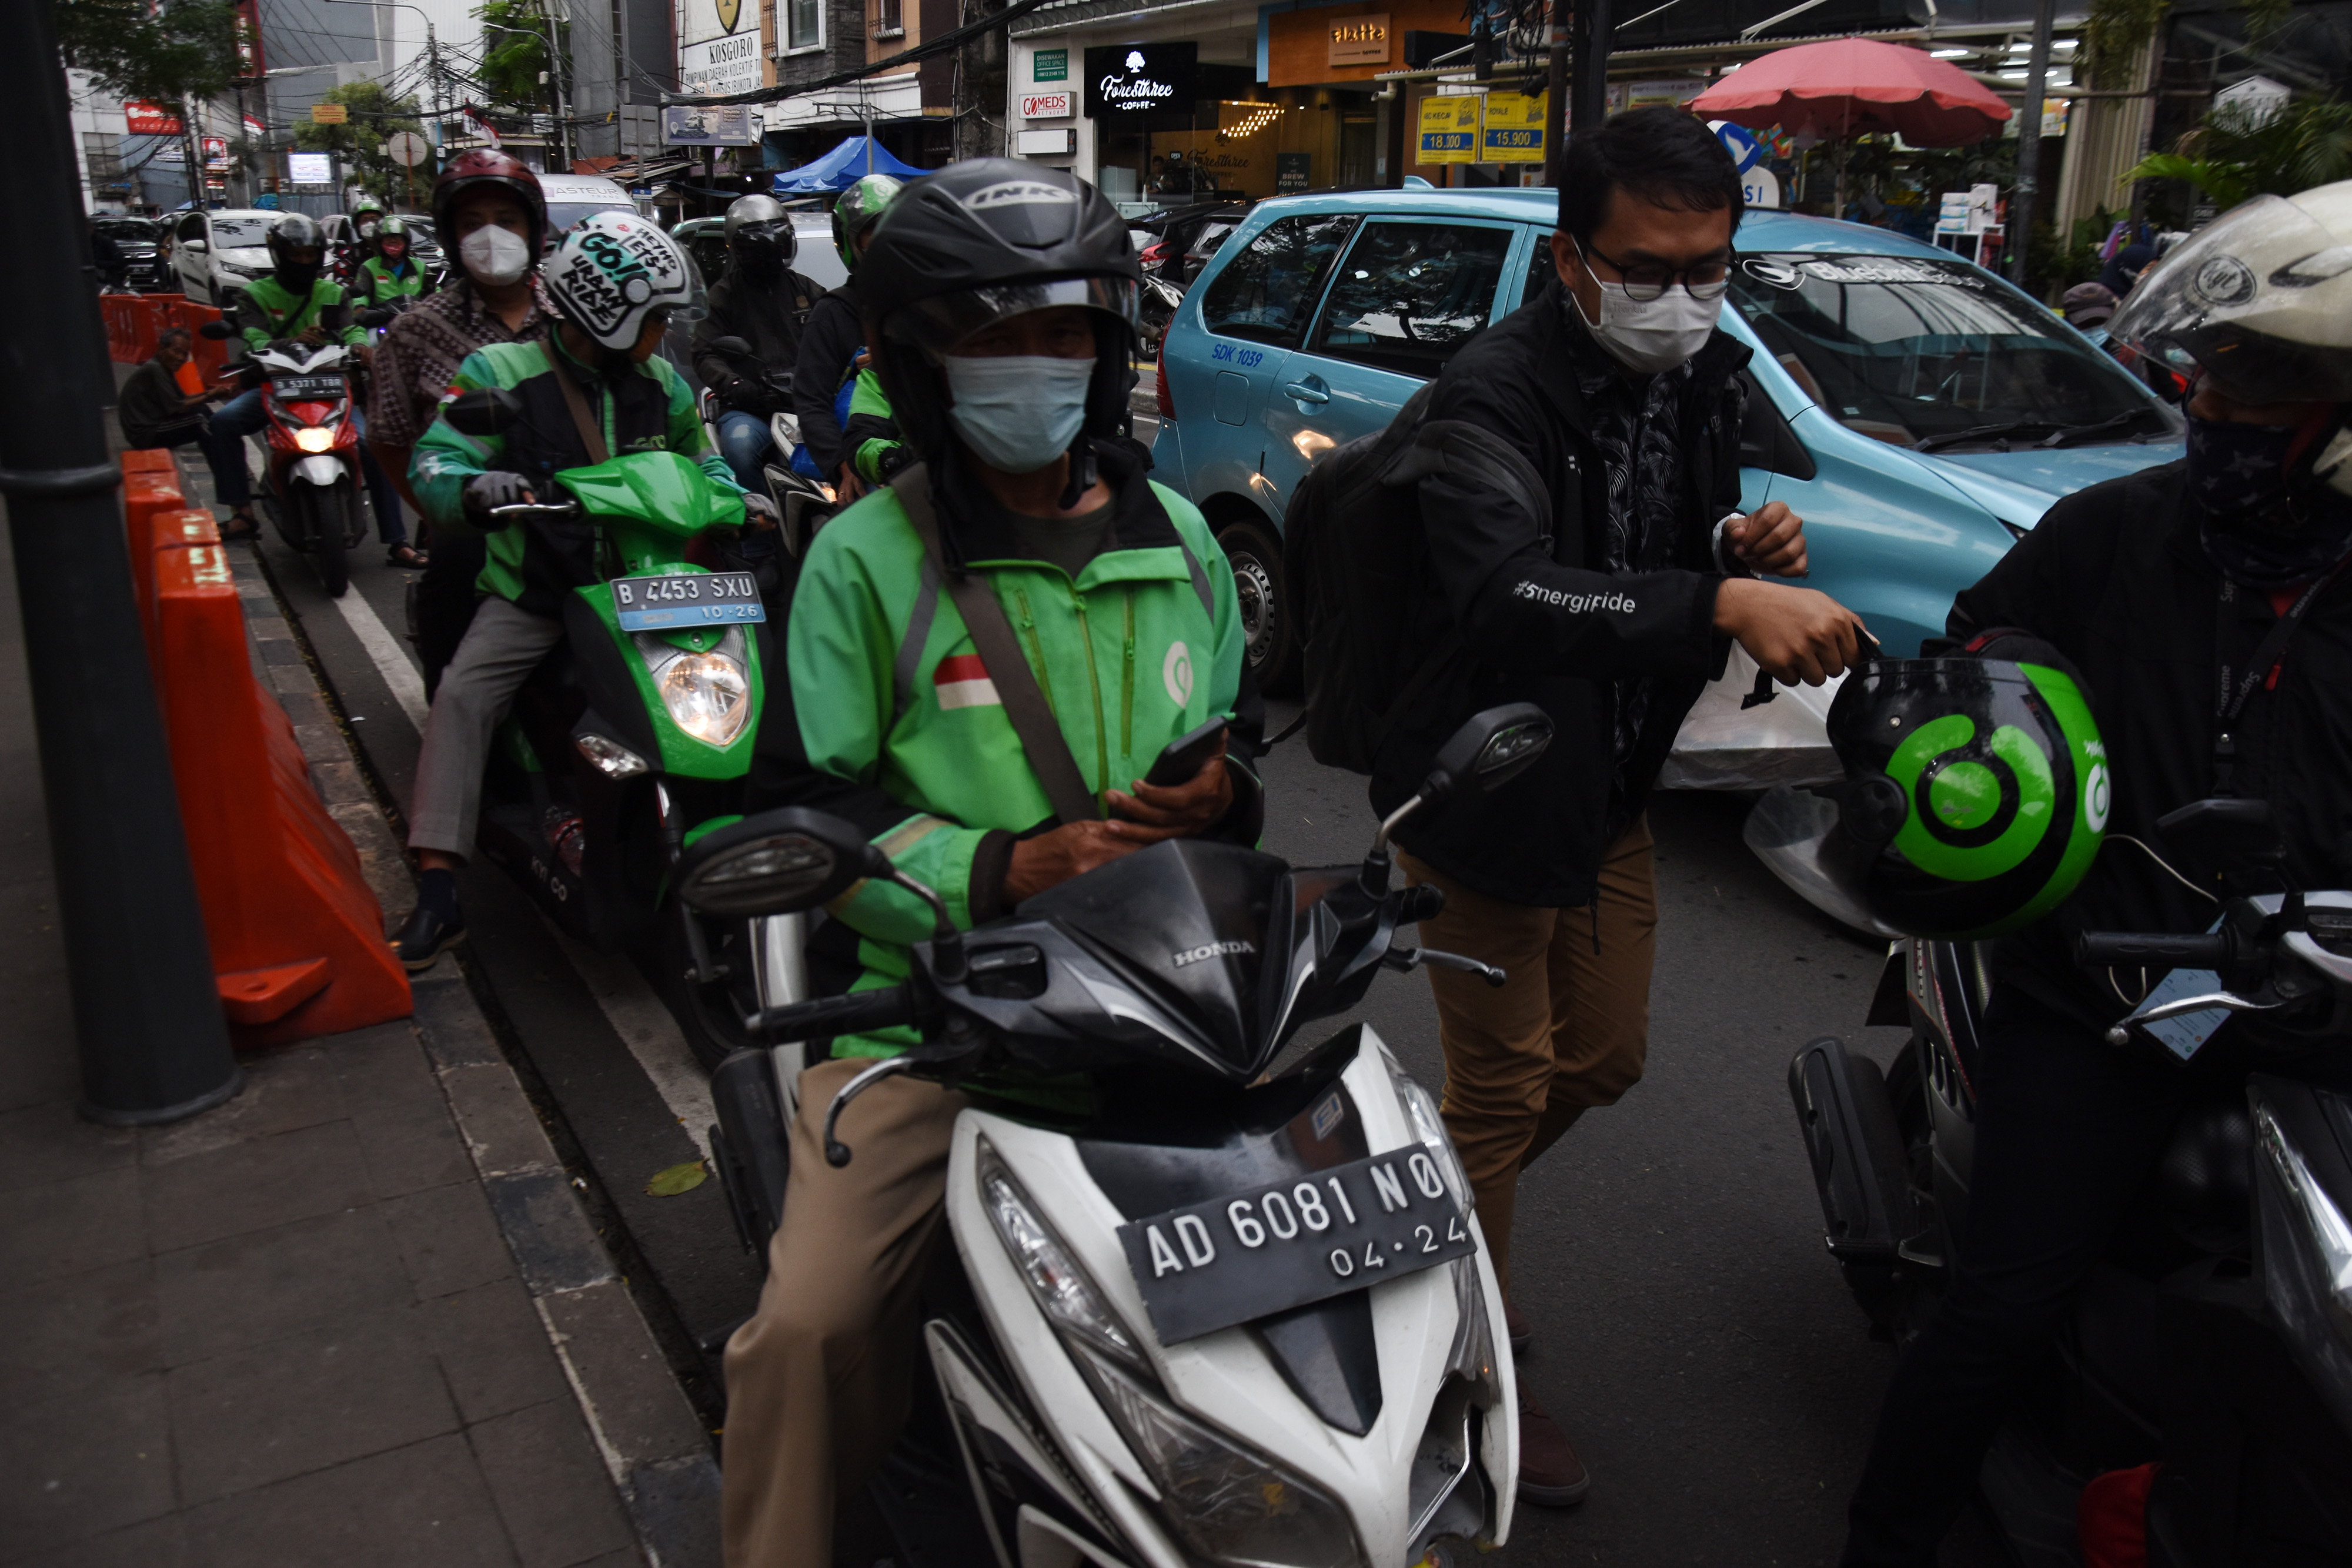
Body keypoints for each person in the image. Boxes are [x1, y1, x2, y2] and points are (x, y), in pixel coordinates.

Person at [719, 159, 1266, 1568]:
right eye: (988, 338)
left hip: (1170, 1005)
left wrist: (1216, 791)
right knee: (811, 1327)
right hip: (937, 1026)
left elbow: (1228, 754)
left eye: (1062, 334)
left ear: (1105, 353)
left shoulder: (1186, 542)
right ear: (916, 362)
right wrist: (1000, 870)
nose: (1031, 367)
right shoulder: (860, 562)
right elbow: (794, 813)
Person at [1839, 182, 2352, 1566]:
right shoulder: (2111, 534)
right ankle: (1887, 1540)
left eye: (2267, 383)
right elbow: (1959, 676)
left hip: (2328, 1019)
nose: (2220, 410)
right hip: (2114, 993)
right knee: (1997, 1310)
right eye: (2215, 376)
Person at [1372, 105, 1867, 1506]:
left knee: (1603, 1060)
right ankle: (1460, 1362)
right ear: (1572, 257)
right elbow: (1504, 590)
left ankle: (1412, 1218)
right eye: (1647, 270)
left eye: (1708, 269)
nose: (1680, 300)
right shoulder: (1491, 392)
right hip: (1484, 782)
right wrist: (1717, 598)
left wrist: (1728, 539)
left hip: (1608, 784)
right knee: (1505, 1083)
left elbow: (1647, 526)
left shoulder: (1701, 371)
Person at [386, 215, 754, 968]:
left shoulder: (662, 382)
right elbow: (434, 463)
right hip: (540, 593)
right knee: (463, 697)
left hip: (649, 592)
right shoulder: (498, 373)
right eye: (654, 319)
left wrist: (736, 496)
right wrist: (471, 486)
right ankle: (438, 886)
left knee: (747, 682)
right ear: (607, 312)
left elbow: (704, 460)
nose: (662, 334)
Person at [366, 151, 557, 690]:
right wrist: (447, 508)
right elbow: (389, 439)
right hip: (471, 541)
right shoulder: (415, 331)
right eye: (473, 223)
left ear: (534, 230)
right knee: (454, 686)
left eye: (507, 220)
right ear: (451, 236)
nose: (491, 236)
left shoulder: (575, 319)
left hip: (572, 522)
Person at [209, 213, 415, 559]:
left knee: (375, 447)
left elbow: (350, 329)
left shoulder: (333, 292)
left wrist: (361, 347)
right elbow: (253, 338)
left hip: (331, 390)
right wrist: (289, 341)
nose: (304, 262)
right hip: (276, 390)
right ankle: (242, 514)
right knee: (222, 423)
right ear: (280, 255)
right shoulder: (256, 295)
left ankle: (398, 541)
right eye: (296, 255)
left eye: (310, 255)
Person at [692, 193, 827, 490]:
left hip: (807, 403)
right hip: (750, 409)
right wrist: (737, 386)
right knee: (741, 449)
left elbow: (834, 337)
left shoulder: (807, 290)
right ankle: (761, 525)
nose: (769, 252)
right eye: (757, 245)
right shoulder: (723, 296)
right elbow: (705, 352)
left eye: (775, 241)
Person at [792, 173, 901, 493]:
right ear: (851, 246)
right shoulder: (833, 313)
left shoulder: (931, 306)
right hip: (864, 460)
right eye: (874, 241)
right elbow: (811, 400)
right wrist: (844, 464)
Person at [116, 326, 241, 487]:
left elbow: (183, 399)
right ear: (162, 349)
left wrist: (213, 394)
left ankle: (224, 461)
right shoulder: (155, 369)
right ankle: (225, 466)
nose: (181, 358)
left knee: (202, 412)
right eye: (177, 352)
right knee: (200, 420)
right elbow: (178, 407)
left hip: (152, 426)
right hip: (145, 434)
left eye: (185, 354)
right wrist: (210, 395)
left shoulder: (162, 367)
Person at [354, 215, 426, 310]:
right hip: (382, 319)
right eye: (388, 240)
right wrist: (360, 308)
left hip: (416, 318)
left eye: (397, 239)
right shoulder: (369, 267)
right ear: (379, 243)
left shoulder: (420, 266)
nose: (393, 241)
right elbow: (361, 294)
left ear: (406, 243)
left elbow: (434, 290)